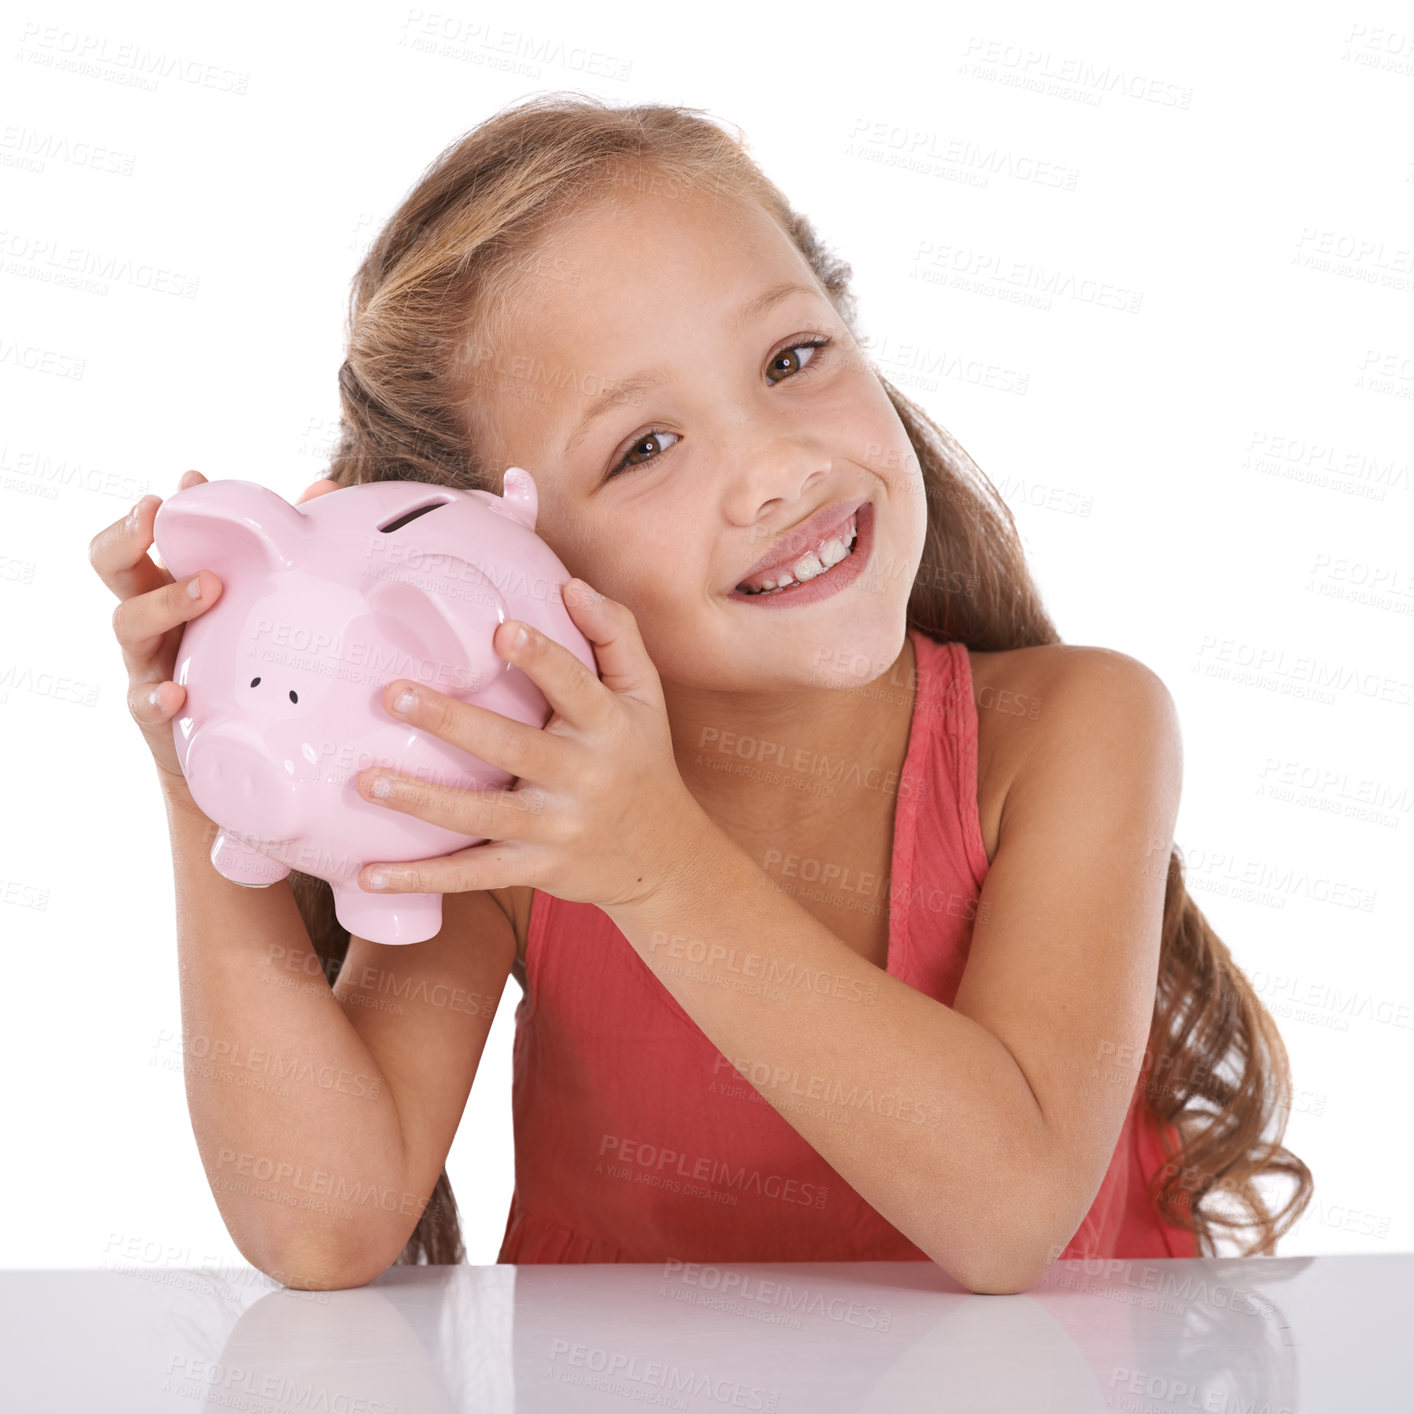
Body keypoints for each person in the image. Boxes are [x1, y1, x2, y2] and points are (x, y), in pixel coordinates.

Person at [88, 92, 1311, 1294]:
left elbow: (1009, 1215)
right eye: (644, 447)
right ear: (483, 541)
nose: (778, 467)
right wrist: (218, 758)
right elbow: (319, 1224)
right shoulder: (511, 803)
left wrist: (656, 864)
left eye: (792, 357)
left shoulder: (1073, 729)